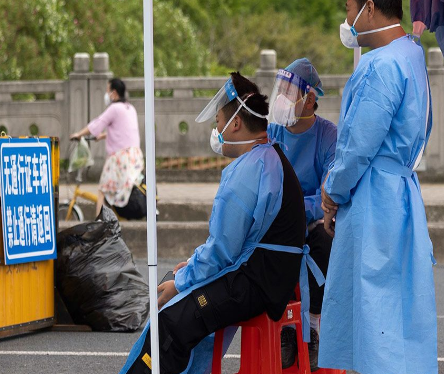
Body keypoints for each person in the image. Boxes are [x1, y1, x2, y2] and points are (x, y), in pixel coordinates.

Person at [119, 72, 308, 374]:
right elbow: (227, 247)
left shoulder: (248, 169)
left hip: (257, 283)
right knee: (179, 291)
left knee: (170, 322)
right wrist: (190, 269)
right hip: (268, 276)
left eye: (218, 121)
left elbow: (222, 250)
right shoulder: (269, 155)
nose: (216, 128)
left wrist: (183, 281)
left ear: (235, 124)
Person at [319, 0, 438, 374]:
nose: (347, 18)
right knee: (401, 306)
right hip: (402, 190)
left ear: (369, 9)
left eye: (349, 8)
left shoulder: (379, 66)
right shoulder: (412, 54)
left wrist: (332, 191)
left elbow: (358, 145)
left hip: (374, 194)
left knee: (375, 307)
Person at [267, 58, 337, 371]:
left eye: (289, 91)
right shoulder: (272, 131)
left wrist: (300, 208)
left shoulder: (327, 135)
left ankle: (311, 325)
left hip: (310, 220)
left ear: (309, 99)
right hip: (277, 219)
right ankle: (282, 327)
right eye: (280, 90)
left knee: (324, 238)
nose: (282, 97)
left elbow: (328, 189)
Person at [70, 78, 146, 219]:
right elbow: (124, 132)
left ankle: (99, 226)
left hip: (119, 158)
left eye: (108, 91)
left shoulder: (114, 109)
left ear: (114, 93)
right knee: (115, 190)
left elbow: (97, 124)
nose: (107, 94)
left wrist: (78, 134)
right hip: (134, 157)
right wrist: (104, 136)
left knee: (103, 190)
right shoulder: (130, 108)